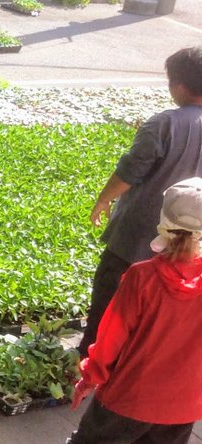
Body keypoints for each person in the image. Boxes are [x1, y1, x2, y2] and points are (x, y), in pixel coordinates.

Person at [29, 177, 202, 444]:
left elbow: (110, 337)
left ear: (163, 222)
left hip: (129, 395)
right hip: (182, 404)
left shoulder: (142, 277)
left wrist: (91, 375)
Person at [78, 46, 202, 355]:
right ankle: (133, 355)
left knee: (110, 294)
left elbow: (130, 171)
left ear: (180, 86)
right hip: (190, 238)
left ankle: (92, 354)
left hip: (137, 235)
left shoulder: (165, 123)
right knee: (160, 302)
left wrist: (103, 199)